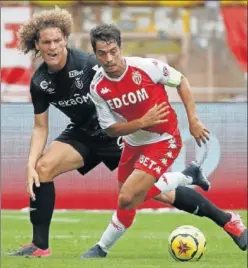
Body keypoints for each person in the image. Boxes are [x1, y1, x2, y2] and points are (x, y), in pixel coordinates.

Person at [8, 9, 246, 258]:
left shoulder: (90, 64)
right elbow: (40, 127)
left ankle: (223, 217)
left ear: (66, 39)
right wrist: (29, 164)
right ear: (37, 44)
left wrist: (146, 119)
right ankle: (40, 246)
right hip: (83, 134)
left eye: (57, 40)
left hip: (120, 135)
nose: (53, 47)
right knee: (42, 169)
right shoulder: (40, 82)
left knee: (151, 194)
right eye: (46, 42)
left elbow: (128, 82)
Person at [82, 23, 248, 258]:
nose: (109, 58)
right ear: (95, 53)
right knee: (149, 196)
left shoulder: (146, 67)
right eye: (102, 53)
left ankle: (101, 249)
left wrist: (193, 121)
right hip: (133, 143)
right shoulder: (98, 87)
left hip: (164, 139)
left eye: (113, 52)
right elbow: (110, 130)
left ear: (120, 48)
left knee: (127, 198)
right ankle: (228, 220)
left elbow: (181, 81)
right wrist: (141, 122)